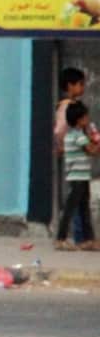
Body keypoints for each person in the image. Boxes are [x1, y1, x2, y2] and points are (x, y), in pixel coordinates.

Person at [55, 100, 100, 251]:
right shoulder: (78, 136)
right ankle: (61, 238)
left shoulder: (70, 135)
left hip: (81, 177)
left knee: (83, 207)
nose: (88, 120)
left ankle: (88, 239)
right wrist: (97, 142)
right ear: (79, 120)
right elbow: (91, 151)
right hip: (78, 178)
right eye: (86, 117)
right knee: (71, 208)